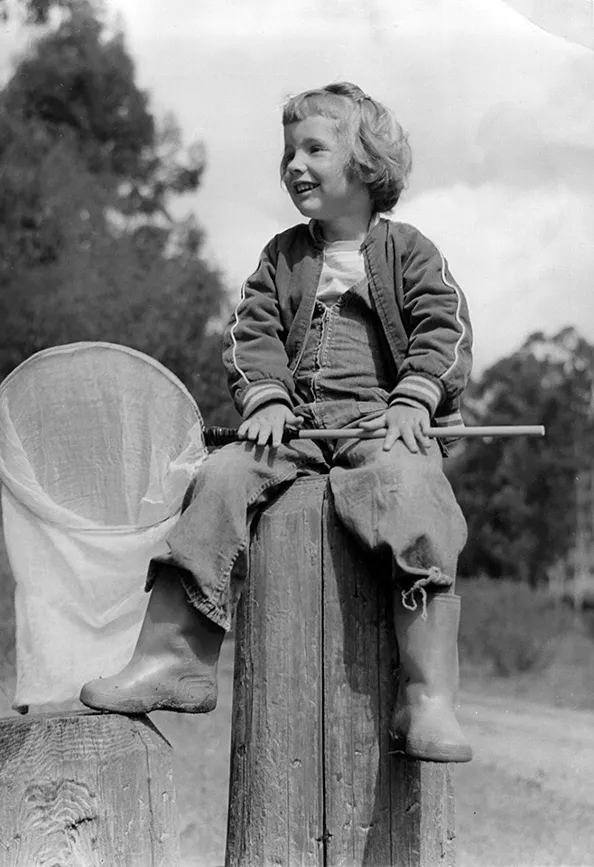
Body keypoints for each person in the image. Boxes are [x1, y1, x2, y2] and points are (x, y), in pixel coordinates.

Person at [80, 82, 473, 763]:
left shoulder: (409, 251)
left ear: (367, 162)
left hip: (382, 423)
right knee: (220, 477)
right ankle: (174, 658)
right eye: (288, 152)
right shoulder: (282, 256)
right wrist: (264, 397)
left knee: (413, 493)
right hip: (293, 425)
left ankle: (427, 694)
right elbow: (251, 330)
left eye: (314, 149)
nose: (294, 165)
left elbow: (445, 327)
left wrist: (416, 399)